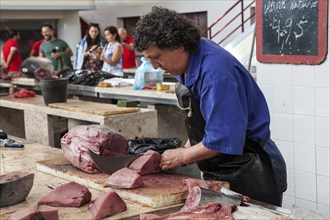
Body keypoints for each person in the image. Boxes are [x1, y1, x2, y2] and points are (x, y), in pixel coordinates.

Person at [134, 6, 287, 207]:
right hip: (224, 166)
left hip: (251, 169)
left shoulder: (215, 74)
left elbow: (223, 137)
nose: (154, 65)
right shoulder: (190, 60)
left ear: (178, 45)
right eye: (149, 59)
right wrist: (184, 149)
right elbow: (208, 122)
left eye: (157, 57)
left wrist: (182, 156)